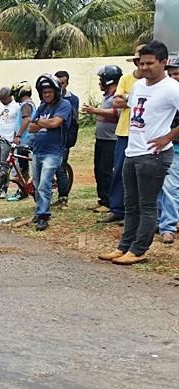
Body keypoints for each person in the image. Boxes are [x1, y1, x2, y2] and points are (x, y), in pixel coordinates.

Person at [99, 41, 179, 265]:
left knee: (147, 204)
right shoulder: (139, 86)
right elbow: (133, 109)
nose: (144, 68)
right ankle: (124, 246)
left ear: (164, 63)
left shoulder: (172, 88)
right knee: (130, 203)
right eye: (142, 63)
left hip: (154, 154)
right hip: (132, 151)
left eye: (150, 63)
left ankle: (139, 249)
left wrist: (167, 137)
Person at [101, 47, 143, 224]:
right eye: (139, 61)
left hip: (143, 134)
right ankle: (117, 208)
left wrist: (128, 97)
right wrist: (136, 98)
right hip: (124, 131)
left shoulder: (154, 81)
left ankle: (136, 213)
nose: (141, 65)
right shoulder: (126, 78)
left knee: (140, 174)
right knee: (119, 170)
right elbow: (116, 102)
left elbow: (123, 100)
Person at [28, 73, 74, 231]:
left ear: (56, 91)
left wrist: (40, 122)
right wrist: (43, 123)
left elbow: (56, 123)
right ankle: (39, 210)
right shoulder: (41, 107)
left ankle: (43, 215)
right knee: (37, 183)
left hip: (53, 151)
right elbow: (31, 127)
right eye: (44, 92)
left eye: (49, 92)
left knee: (45, 183)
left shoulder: (64, 105)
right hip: (37, 150)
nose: (47, 95)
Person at [82, 65, 123, 212]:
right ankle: (102, 199)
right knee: (99, 169)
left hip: (111, 140)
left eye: (101, 79)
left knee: (107, 170)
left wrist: (94, 110)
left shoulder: (117, 97)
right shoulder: (106, 96)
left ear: (108, 80)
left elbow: (116, 113)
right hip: (101, 139)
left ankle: (109, 202)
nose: (100, 82)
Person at [157, 55, 179, 244]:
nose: (175, 77)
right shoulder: (165, 93)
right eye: (171, 74)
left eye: (178, 73)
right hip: (171, 147)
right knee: (169, 187)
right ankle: (168, 226)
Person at [53, 71, 80, 208]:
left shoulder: (72, 99)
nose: (60, 86)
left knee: (60, 167)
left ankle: (63, 197)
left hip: (64, 138)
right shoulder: (49, 97)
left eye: (62, 83)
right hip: (50, 138)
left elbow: (72, 120)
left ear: (67, 83)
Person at [8, 81, 35, 200]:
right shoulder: (29, 103)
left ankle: (26, 186)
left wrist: (18, 136)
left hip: (26, 139)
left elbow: (26, 120)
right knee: (23, 165)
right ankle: (24, 189)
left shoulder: (25, 105)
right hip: (26, 138)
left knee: (23, 164)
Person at [0, 87, 20, 168]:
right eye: (0, 99)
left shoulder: (17, 106)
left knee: (4, 163)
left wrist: (16, 137)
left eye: (3, 99)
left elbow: (19, 123)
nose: (2, 101)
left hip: (7, 138)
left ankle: (3, 179)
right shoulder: (2, 106)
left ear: (10, 96)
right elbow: (1, 120)